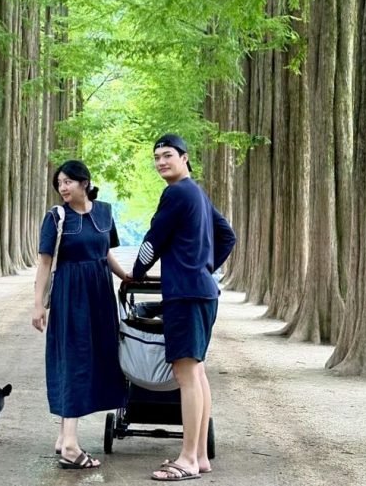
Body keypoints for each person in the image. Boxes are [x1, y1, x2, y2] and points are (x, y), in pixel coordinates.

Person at [131, 133, 236, 482]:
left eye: (168, 155)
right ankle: (201, 456)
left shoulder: (177, 193)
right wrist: (205, 267)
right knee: (198, 372)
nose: (161, 161)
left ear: (185, 158)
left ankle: (188, 458)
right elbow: (228, 236)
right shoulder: (199, 194)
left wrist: (134, 275)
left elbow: (153, 240)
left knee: (186, 374)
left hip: (186, 295)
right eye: (157, 157)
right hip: (204, 292)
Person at [32, 160, 129, 470]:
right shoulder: (56, 217)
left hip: (100, 294)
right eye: (59, 182)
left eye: (68, 181)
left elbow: (105, 252)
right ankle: (71, 446)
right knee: (72, 359)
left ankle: (63, 437)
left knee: (96, 358)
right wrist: (38, 305)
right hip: (70, 295)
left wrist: (125, 275)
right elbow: (45, 263)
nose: (63, 187)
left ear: (84, 182)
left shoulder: (104, 212)